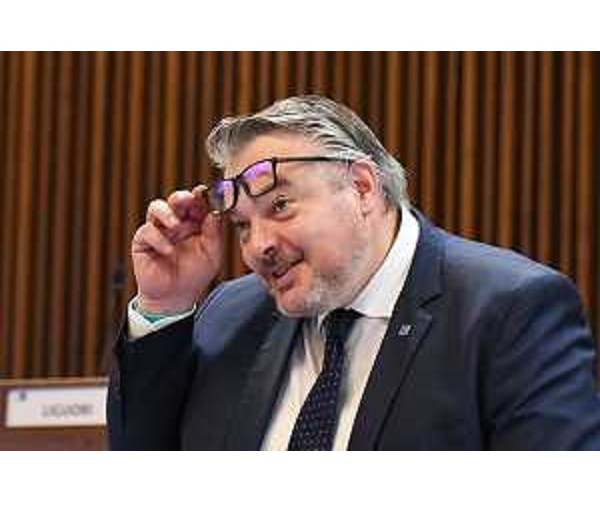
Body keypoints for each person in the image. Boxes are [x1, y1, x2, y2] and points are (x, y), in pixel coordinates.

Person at [107, 95, 600, 450]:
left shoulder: (508, 309)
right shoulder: (231, 315)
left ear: (362, 187)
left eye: (280, 206)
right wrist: (164, 306)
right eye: (241, 225)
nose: (257, 247)